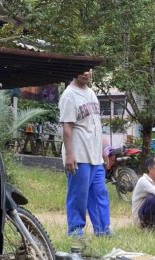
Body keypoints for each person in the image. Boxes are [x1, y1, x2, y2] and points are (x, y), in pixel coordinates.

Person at [59, 68, 112, 237]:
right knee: (78, 195)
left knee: (99, 193)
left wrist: (103, 150)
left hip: (95, 155)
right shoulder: (69, 95)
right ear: (74, 73)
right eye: (81, 70)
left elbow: (96, 124)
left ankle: (103, 230)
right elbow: (67, 126)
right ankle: (76, 231)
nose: (86, 73)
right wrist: (69, 154)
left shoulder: (91, 93)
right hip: (78, 154)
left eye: (88, 70)